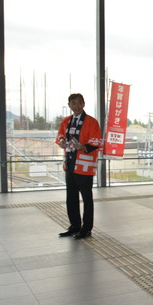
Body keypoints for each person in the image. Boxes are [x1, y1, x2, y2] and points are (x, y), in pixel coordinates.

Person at [55, 93, 103, 239]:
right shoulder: (66, 121)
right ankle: (74, 225)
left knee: (87, 199)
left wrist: (83, 146)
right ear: (69, 105)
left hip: (84, 167)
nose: (76, 106)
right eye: (73, 103)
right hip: (70, 164)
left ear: (83, 104)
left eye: (79, 103)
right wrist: (62, 141)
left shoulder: (91, 122)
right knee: (71, 198)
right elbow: (59, 136)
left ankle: (86, 228)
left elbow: (97, 142)